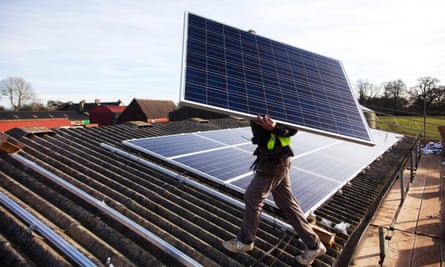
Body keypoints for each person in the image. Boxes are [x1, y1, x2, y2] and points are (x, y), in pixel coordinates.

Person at [223, 114, 326, 265]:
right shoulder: (255, 96)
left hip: (275, 161)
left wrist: (274, 127)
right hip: (274, 158)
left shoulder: (283, 98)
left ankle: (245, 241)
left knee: (253, 196)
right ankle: (314, 244)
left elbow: (292, 128)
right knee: (286, 202)